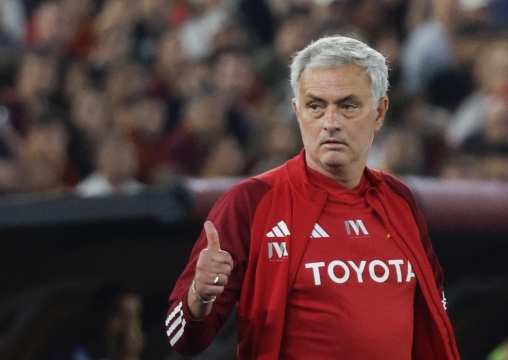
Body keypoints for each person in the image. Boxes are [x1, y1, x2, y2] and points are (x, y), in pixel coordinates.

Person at [165, 35, 460, 359]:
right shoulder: (251, 202)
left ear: (379, 112)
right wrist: (200, 295)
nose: (330, 123)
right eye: (316, 106)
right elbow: (181, 339)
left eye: (347, 106)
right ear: (297, 111)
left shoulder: (399, 199)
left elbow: (433, 314)